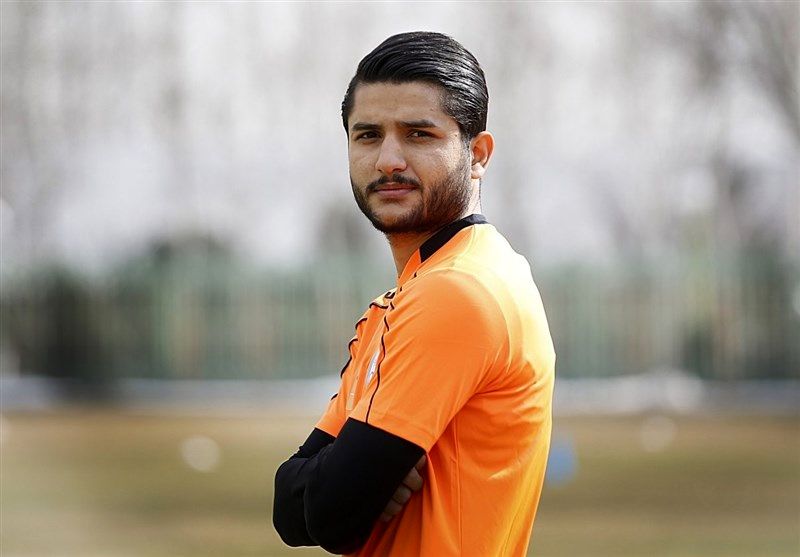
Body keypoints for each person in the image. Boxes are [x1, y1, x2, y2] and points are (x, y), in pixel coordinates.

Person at [273, 31, 555, 557]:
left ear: (478, 154)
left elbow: (330, 515)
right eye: (368, 135)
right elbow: (288, 511)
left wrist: (334, 478)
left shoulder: (457, 291)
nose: (388, 160)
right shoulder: (425, 289)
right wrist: (336, 478)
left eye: (419, 134)